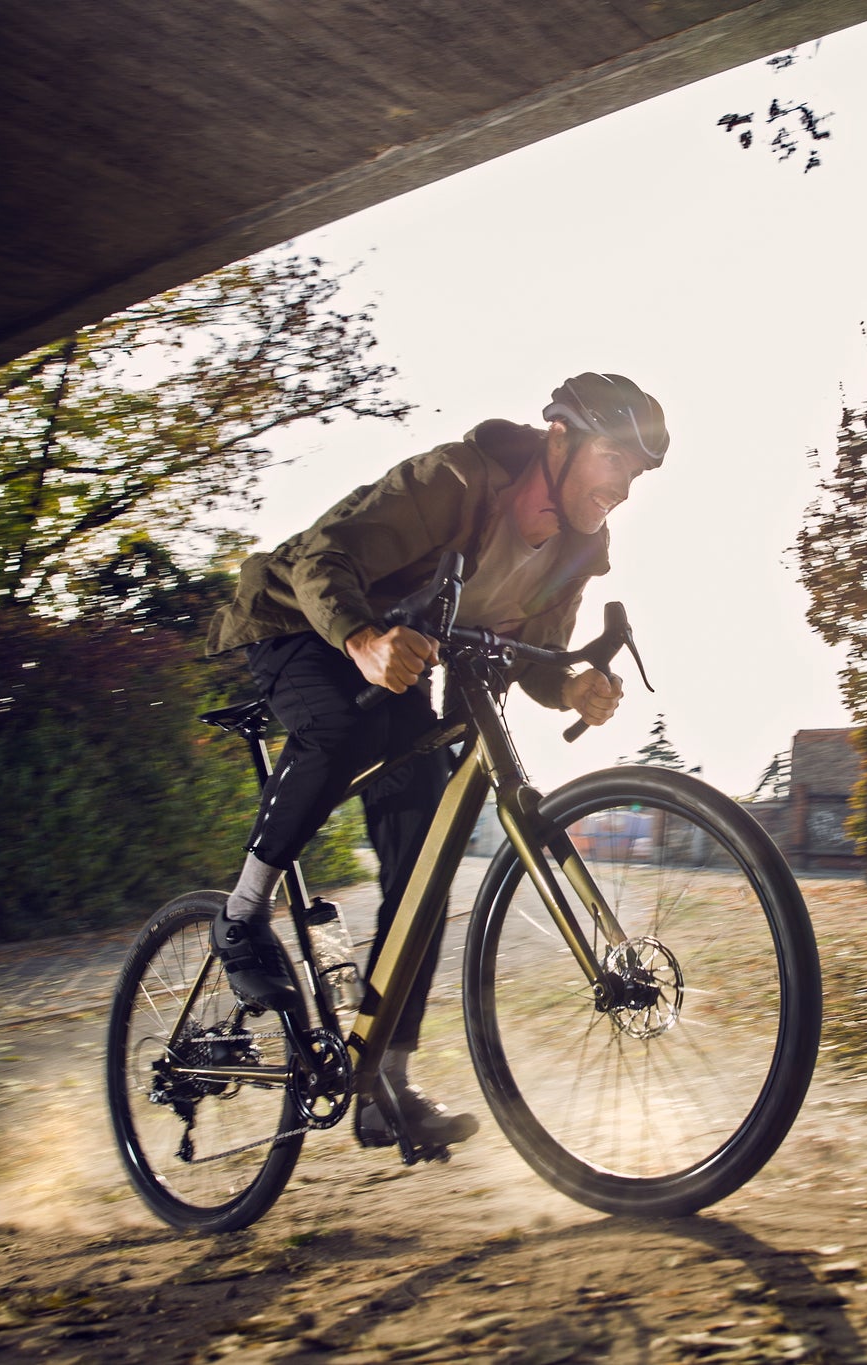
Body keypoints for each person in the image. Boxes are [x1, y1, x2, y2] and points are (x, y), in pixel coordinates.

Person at [202, 373, 668, 1149]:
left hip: (404, 661)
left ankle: (385, 1081)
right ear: (560, 438)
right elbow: (325, 557)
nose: (622, 486)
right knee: (339, 733)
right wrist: (362, 640)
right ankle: (239, 916)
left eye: (636, 472)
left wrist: (574, 684)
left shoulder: (581, 547)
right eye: (613, 459)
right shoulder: (455, 480)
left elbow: (538, 657)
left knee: (423, 864)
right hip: (300, 623)